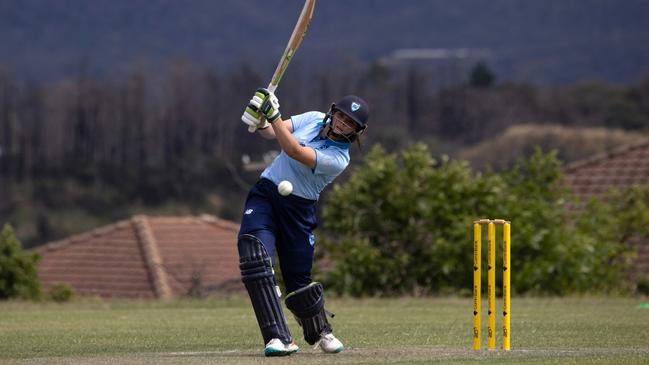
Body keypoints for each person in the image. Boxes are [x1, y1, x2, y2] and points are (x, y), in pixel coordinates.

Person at [237, 88, 369, 357]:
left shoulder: (339, 159)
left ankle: (321, 332)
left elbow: (295, 150)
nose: (341, 123)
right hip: (266, 194)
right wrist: (261, 119)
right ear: (333, 112)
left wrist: (273, 114)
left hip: (298, 210)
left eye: (349, 124)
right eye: (340, 117)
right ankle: (277, 338)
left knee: (298, 282)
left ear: (355, 131)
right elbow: (272, 133)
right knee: (254, 255)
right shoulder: (313, 117)